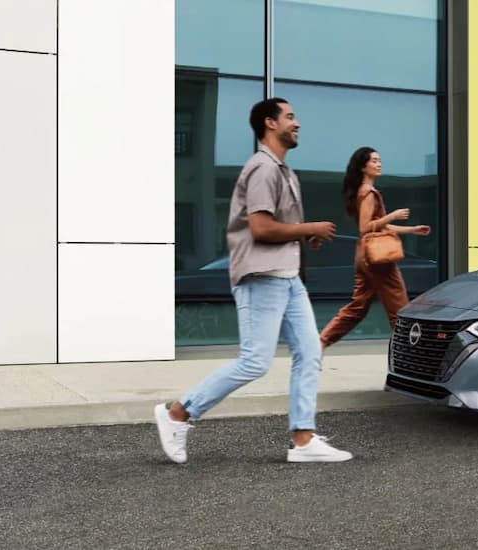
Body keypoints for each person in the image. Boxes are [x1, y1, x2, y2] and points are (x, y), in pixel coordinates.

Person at [153, 98, 353, 464]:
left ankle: (304, 439)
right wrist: (308, 227)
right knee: (255, 362)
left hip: (289, 278)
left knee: (309, 352)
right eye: (290, 117)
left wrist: (299, 235)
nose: (298, 123)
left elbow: (277, 227)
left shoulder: (284, 172)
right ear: (269, 123)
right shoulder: (262, 168)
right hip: (262, 278)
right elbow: (260, 228)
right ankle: (177, 414)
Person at [319, 147, 431, 347]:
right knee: (399, 308)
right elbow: (366, 227)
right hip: (378, 258)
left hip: (365, 256)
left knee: (357, 307)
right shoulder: (369, 193)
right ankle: (407, 353)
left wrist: (411, 230)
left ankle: (319, 343)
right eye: (374, 161)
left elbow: (380, 225)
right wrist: (393, 215)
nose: (379, 164)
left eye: (379, 160)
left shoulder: (364, 191)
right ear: (363, 167)